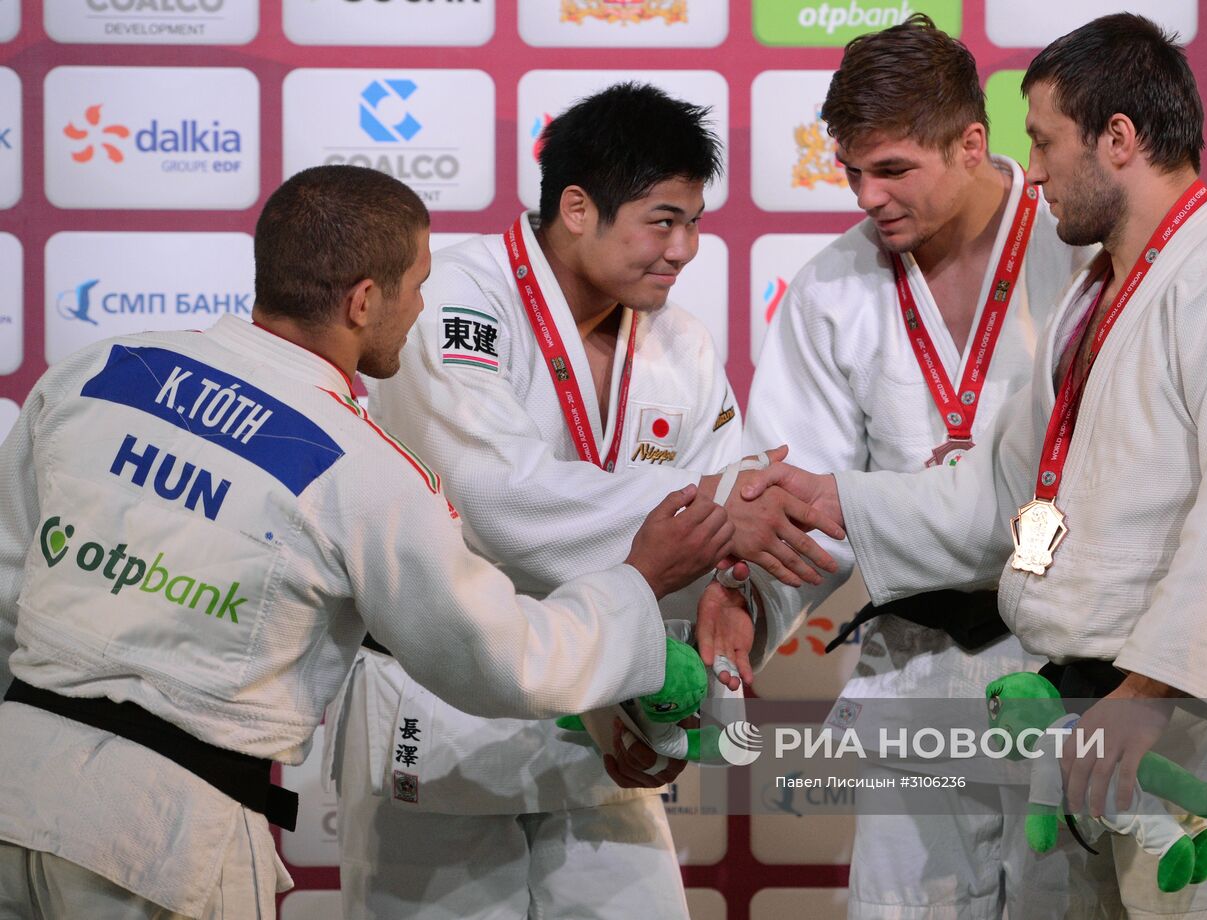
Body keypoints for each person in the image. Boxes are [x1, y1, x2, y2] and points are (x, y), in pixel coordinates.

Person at [741, 13, 1207, 918]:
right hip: (1084, 719)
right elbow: (1008, 493)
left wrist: (1152, 691)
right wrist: (839, 499)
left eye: (1042, 142)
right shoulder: (1097, 295)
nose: (1029, 172)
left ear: (1117, 140)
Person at [0, 164, 735, 919]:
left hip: (13, 785)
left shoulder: (96, 373)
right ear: (363, 301)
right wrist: (637, 580)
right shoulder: (362, 467)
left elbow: (6, 592)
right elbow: (503, 659)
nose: (422, 308)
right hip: (160, 840)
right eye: (417, 286)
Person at [328, 82, 843, 920]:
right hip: (450, 701)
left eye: (695, 223)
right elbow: (492, 497)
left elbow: (712, 543)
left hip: (600, 715)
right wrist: (718, 504)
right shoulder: (456, 299)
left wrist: (700, 641)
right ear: (576, 208)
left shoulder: (680, 341)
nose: (683, 250)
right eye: (662, 220)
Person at [736, 15, 1106, 920]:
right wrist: (743, 609)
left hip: (1067, 659)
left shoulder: (1082, 249)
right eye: (851, 169)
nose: (866, 194)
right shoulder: (828, 288)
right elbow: (800, 510)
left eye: (893, 168)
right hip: (913, 668)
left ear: (972, 144)